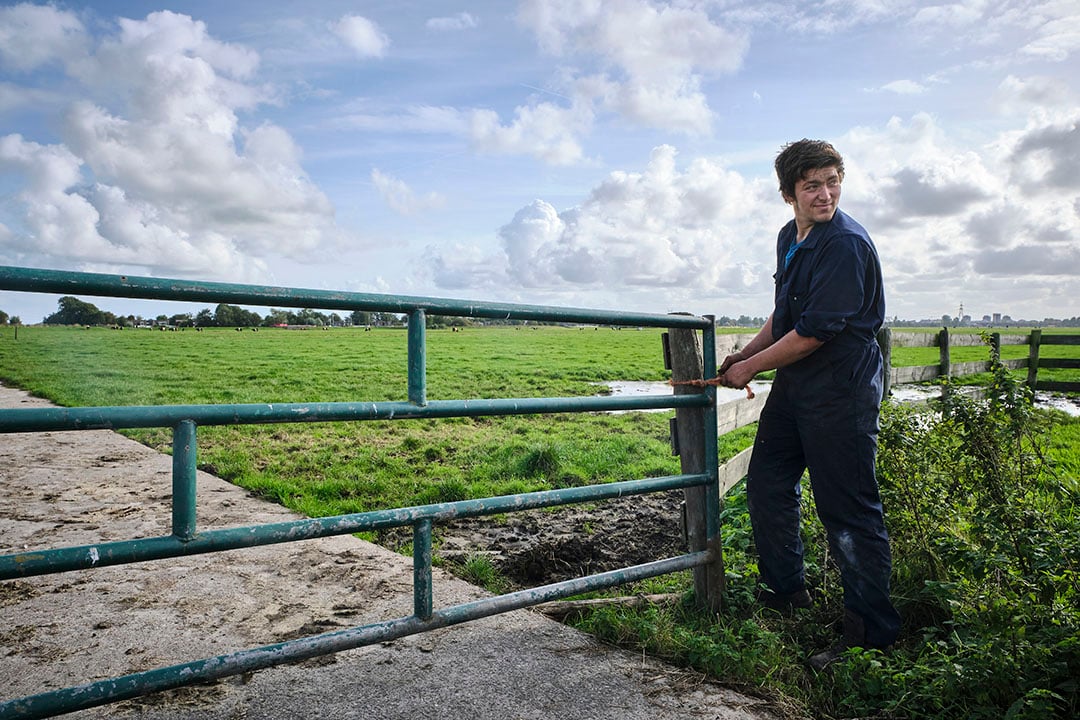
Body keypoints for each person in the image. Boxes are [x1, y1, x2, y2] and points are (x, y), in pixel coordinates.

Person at [718, 139, 901, 670]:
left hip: (841, 388)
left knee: (847, 510)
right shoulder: (790, 237)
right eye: (812, 185)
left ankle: (871, 636)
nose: (826, 194)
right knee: (768, 483)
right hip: (798, 386)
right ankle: (785, 593)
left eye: (832, 181)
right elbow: (786, 313)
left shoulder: (844, 244)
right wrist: (744, 354)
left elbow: (817, 331)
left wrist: (752, 369)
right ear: (788, 195)